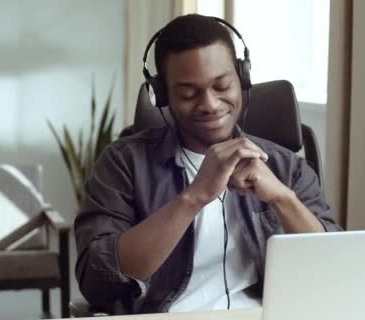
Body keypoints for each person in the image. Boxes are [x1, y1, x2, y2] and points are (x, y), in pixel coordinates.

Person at [74, 14, 341, 315]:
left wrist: (282, 197)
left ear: (242, 79)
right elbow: (98, 279)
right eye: (189, 93)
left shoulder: (284, 166)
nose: (210, 104)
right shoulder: (123, 164)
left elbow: (332, 268)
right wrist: (195, 196)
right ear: (161, 95)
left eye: (222, 86)